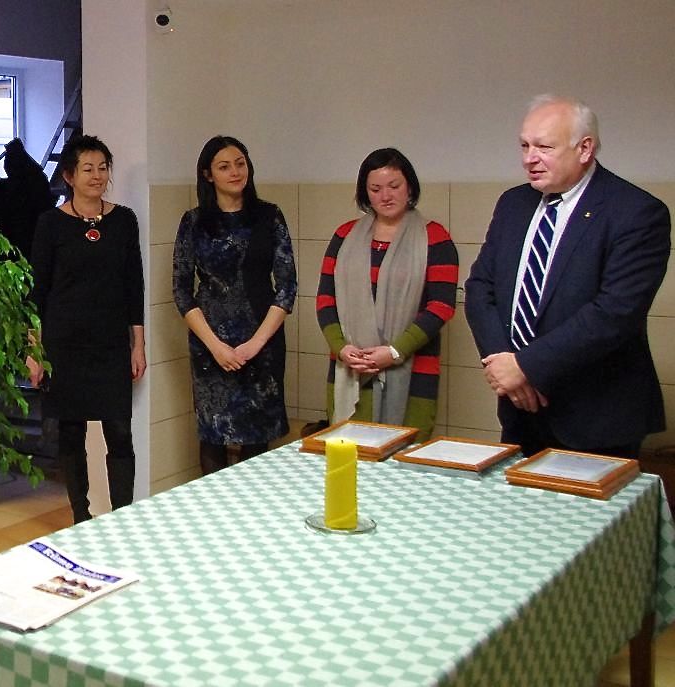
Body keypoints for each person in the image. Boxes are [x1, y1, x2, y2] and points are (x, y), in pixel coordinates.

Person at [464, 95, 670, 458]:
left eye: (544, 147)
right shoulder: (513, 204)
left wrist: (526, 367)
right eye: (524, 146)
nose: (529, 158)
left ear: (584, 148)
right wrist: (503, 363)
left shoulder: (636, 212)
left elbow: (614, 314)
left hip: (596, 418)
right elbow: (481, 288)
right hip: (520, 411)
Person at [26, 134, 145, 524]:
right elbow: (37, 290)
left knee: (120, 432)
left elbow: (134, 286)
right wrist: (34, 349)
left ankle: (122, 516)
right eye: (88, 169)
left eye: (103, 168)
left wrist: (138, 344)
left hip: (111, 343)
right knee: (71, 433)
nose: (97, 176)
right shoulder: (50, 223)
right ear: (69, 176)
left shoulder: (124, 220)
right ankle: (81, 515)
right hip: (64, 344)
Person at [172, 135, 297, 474]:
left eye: (240, 164)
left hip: (262, 339)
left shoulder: (269, 216)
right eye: (224, 167)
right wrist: (215, 346)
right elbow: (181, 290)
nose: (235, 172)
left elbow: (287, 286)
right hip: (210, 343)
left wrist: (256, 344)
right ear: (208, 174)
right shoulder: (194, 221)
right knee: (213, 433)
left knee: (257, 436)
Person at [315, 148, 458, 440]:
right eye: (375, 189)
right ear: (365, 193)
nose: (386, 196)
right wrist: (341, 348)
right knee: (348, 451)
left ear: (410, 187)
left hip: (413, 372)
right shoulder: (344, 236)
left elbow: (441, 306)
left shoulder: (434, 238)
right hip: (351, 368)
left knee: (403, 453)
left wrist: (393, 352)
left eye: (394, 186)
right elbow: (325, 300)